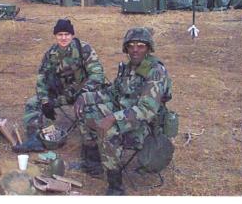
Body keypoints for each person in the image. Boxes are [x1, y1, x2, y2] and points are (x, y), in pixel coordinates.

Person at [74, 27, 173, 195]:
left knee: (108, 130)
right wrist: (86, 98)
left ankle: (115, 186)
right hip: (124, 113)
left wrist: (113, 117)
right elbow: (113, 92)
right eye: (131, 45)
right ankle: (94, 164)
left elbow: (147, 110)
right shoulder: (128, 68)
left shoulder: (155, 72)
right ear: (126, 48)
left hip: (145, 125)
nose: (135, 50)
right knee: (87, 113)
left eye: (141, 45)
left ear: (149, 48)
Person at [17, 19, 106, 176]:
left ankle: (91, 156)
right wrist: (45, 101)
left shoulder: (84, 49)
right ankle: (34, 139)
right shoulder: (51, 53)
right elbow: (41, 78)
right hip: (63, 94)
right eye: (60, 34)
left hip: (84, 94)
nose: (63, 38)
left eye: (67, 34)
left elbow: (97, 74)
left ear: (72, 35)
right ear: (55, 36)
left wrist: (84, 92)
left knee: (90, 112)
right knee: (33, 103)